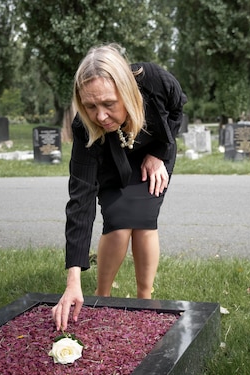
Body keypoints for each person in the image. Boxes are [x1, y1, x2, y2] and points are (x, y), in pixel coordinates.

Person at [52, 44, 187, 331]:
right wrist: (73, 280)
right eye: (90, 106)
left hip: (152, 152)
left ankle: (145, 300)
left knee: (143, 217)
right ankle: (102, 297)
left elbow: (178, 107)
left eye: (109, 104)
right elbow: (81, 199)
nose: (100, 116)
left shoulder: (154, 81)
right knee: (117, 219)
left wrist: (159, 154)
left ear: (126, 89)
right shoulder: (85, 127)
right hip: (110, 158)